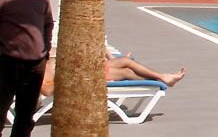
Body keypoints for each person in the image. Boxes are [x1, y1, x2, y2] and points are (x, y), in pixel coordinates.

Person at [0, 0, 54, 137]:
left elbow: (48, 23)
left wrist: (45, 51)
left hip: (34, 66)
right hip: (6, 64)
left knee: (25, 117)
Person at [39, 52, 186, 96]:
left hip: (84, 68)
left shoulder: (42, 62)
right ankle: (163, 78)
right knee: (126, 71)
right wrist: (68, 79)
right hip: (84, 76)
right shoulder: (37, 73)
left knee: (125, 61)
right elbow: (47, 91)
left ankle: (163, 77)